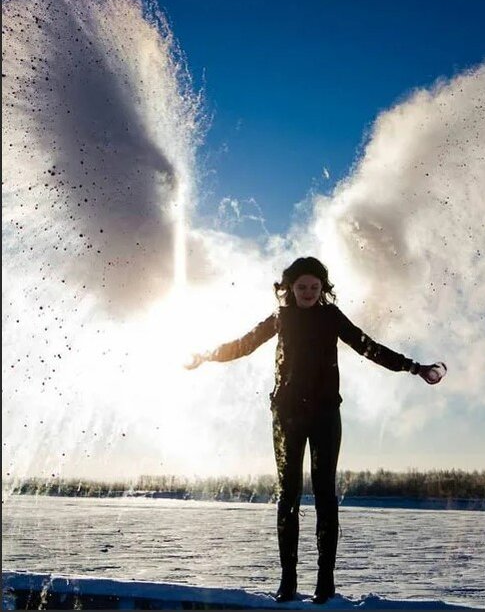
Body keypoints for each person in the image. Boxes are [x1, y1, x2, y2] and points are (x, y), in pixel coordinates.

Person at [185, 257, 445, 604]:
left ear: (323, 289)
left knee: (325, 495)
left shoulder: (331, 317)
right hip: (286, 416)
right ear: (290, 288)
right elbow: (244, 344)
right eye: (302, 287)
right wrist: (206, 355)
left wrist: (414, 367)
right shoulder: (281, 318)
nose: (308, 292)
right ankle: (287, 581)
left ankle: (326, 581)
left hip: (325, 415)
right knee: (287, 495)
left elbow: (368, 347)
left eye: (314, 287)